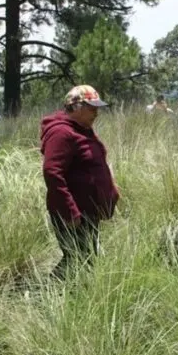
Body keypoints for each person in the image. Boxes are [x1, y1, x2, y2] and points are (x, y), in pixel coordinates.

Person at [40, 85, 119, 279]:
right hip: (73, 212)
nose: (96, 113)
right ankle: (46, 290)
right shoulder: (61, 132)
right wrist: (70, 211)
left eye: (97, 108)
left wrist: (111, 190)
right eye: (92, 108)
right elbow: (52, 172)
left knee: (86, 258)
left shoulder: (83, 130)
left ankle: (60, 291)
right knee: (78, 260)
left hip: (89, 210)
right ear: (76, 107)